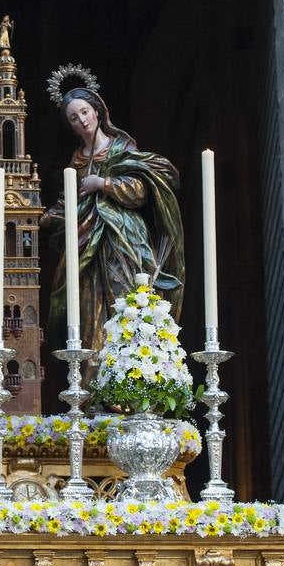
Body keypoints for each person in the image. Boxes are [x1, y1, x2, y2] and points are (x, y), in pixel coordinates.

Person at [41, 66, 184, 353]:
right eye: (73, 118)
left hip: (123, 240)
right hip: (86, 246)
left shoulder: (122, 148)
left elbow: (141, 191)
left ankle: (130, 368)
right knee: (88, 311)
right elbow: (69, 203)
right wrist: (38, 218)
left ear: (96, 111)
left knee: (125, 302)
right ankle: (96, 380)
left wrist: (103, 183)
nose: (81, 121)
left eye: (84, 112)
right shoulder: (76, 161)